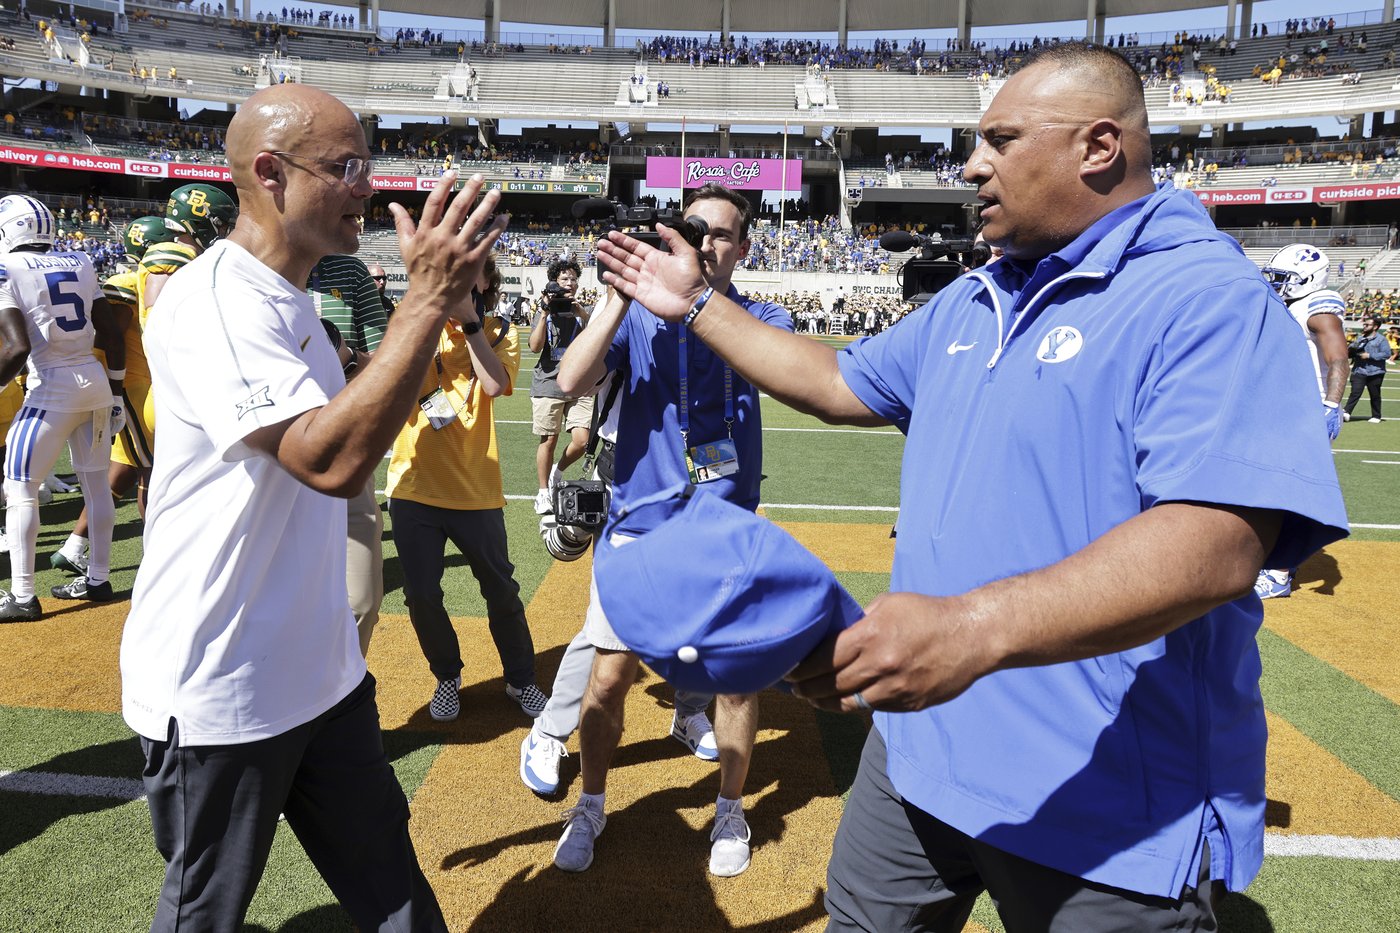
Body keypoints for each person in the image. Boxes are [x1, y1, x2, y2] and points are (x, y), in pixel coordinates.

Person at [595, 43, 1346, 929]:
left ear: (1097, 147)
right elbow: (838, 383)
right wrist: (696, 304)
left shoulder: (1203, 297)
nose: (970, 164)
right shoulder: (977, 296)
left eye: (999, 139)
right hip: (919, 752)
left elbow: (1218, 541)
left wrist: (973, 628)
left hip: (1107, 801)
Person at [118, 82, 508, 931]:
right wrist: (427, 301)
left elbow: (355, 431)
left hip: (321, 678)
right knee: (204, 915)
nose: (368, 185)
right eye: (345, 166)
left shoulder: (293, 299)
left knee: (399, 901)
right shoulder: (215, 301)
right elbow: (328, 461)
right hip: (221, 686)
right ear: (269, 174)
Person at [546, 182, 790, 878]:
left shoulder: (762, 313)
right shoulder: (639, 317)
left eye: (720, 234)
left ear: (743, 247)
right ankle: (590, 802)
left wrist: (693, 304)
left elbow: (777, 365)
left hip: (723, 531)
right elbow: (570, 378)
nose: (705, 244)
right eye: (693, 229)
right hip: (641, 530)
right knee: (606, 682)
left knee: (737, 687)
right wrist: (621, 292)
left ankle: (730, 808)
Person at [384, 253, 549, 722]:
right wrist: (428, 315)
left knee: (500, 591)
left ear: (488, 285)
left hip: (476, 486)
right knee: (421, 595)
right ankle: (447, 675)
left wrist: (471, 324)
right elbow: (401, 382)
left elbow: (495, 385)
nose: (459, 288)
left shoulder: (500, 331)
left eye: (470, 282)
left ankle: (520, 678)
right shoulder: (415, 323)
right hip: (414, 484)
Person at [0, 194, 125, 620]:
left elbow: (16, 349)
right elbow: (110, 333)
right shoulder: (82, 261)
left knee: (20, 488)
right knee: (95, 482)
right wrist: (118, 392)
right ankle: (98, 578)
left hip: (51, 386)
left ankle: (21, 596)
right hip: (93, 382)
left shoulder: (7, 268)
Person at [51, 215, 179, 576]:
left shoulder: (135, 278)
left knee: (123, 471)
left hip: (133, 386)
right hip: (134, 387)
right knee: (151, 472)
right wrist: (115, 391)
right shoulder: (129, 282)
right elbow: (111, 339)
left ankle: (74, 546)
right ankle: (158, 554)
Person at [1255, 244, 1350, 599]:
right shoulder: (1291, 306)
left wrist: (1330, 404)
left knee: (1287, 489)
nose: (1277, 284)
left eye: (1285, 278)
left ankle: (1278, 574)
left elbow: (1338, 357)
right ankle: (1278, 562)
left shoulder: (1318, 306)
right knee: (1270, 485)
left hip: (1306, 412)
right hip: (1285, 411)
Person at [308, 253, 387, 656]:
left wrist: (346, 355)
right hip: (263, 462)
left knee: (361, 600)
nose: (359, 190)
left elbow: (385, 367)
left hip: (344, 454)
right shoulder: (243, 269)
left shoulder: (351, 271)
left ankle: (343, 699)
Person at [528, 255, 592, 514]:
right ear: (554, 282)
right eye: (564, 278)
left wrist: (582, 313)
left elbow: (599, 337)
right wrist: (544, 313)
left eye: (573, 279)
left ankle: (558, 471)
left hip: (579, 384)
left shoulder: (583, 309)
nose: (569, 282)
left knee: (582, 441)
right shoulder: (544, 310)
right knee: (549, 439)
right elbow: (534, 347)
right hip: (548, 383)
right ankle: (543, 492)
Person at [1344, 313, 1391, 423]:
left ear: (1375, 327)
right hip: (1359, 370)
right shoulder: (1360, 338)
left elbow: (1386, 354)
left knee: (1375, 395)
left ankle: (1376, 416)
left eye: (1367, 325)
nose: (1364, 326)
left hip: (1375, 371)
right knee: (1355, 392)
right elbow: (1351, 350)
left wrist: (1369, 355)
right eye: (1364, 324)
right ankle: (1346, 412)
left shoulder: (1381, 339)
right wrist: (1351, 349)